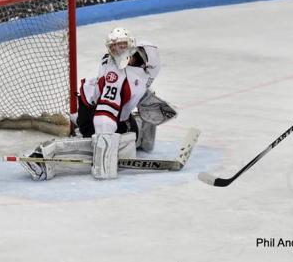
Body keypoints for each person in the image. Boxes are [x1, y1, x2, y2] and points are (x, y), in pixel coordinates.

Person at [20, 27, 176, 180]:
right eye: (114, 47)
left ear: (132, 44)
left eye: (122, 44)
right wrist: (105, 152)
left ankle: (82, 126)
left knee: (130, 137)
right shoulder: (115, 76)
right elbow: (104, 116)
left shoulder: (146, 54)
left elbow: (139, 82)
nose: (119, 50)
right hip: (92, 111)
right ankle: (42, 159)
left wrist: (144, 98)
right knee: (102, 146)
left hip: (115, 110)